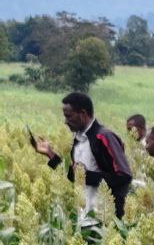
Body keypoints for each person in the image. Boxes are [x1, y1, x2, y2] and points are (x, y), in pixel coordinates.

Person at [32, 91, 132, 222]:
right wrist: (50, 154)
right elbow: (74, 177)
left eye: (69, 116)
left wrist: (85, 176)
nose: (65, 121)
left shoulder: (103, 136)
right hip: (84, 218)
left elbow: (124, 176)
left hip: (106, 219)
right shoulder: (78, 140)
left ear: (83, 114)